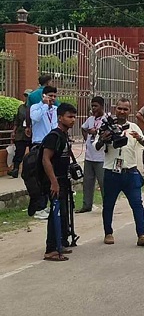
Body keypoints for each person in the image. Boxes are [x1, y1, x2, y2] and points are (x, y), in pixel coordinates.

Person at [94, 98, 144, 247]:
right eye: (120, 108)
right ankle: (108, 233)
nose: (122, 111)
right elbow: (96, 146)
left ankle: (141, 235)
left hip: (130, 172)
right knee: (108, 204)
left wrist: (139, 137)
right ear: (115, 109)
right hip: (111, 173)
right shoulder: (106, 126)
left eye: (125, 109)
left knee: (137, 204)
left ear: (130, 111)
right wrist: (103, 139)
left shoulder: (133, 127)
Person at [41, 102, 77, 262]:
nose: (73, 120)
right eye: (69, 117)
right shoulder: (53, 136)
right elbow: (46, 159)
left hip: (63, 180)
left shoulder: (64, 135)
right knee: (55, 213)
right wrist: (53, 182)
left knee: (63, 212)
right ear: (60, 117)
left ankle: (60, 242)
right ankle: (51, 249)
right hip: (54, 182)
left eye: (74, 117)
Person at [76, 96, 107, 213]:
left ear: (102, 106)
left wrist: (98, 132)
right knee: (87, 182)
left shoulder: (106, 119)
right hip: (89, 156)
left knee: (103, 182)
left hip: (101, 157)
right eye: (92, 106)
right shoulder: (90, 119)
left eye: (96, 106)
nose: (93, 108)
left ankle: (107, 206)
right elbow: (83, 128)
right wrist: (87, 138)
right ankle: (86, 205)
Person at [8, 89, 32, 178]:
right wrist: (14, 131)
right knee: (19, 152)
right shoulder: (21, 107)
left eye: (28, 96)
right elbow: (17, 120)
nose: (27, 98)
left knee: (32, 153)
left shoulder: (34, 108)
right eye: (25, 96)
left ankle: (30, 171)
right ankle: (16, 169)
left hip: (31, 133)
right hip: (21, 132)